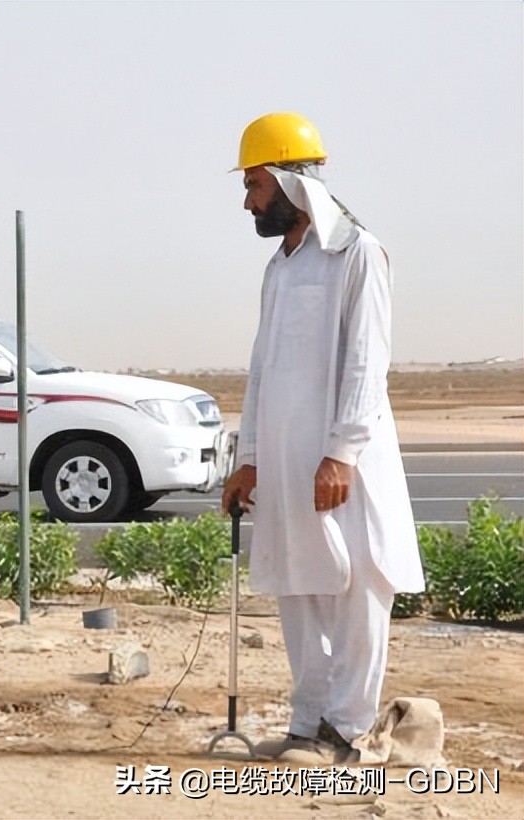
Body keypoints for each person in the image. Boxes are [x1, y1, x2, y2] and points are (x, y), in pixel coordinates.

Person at [221, 113, 425, 764]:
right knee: (299, 585)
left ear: (287, 182)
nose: (247, 200)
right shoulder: (279, 269)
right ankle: (308, 723)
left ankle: (348, 727)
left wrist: (342, 451)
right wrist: (246, 458)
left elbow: (368, 361)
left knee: (359, 583)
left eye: (254, 184)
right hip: (282, 463)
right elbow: (261, 371)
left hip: (346, 463)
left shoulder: (357, 255)